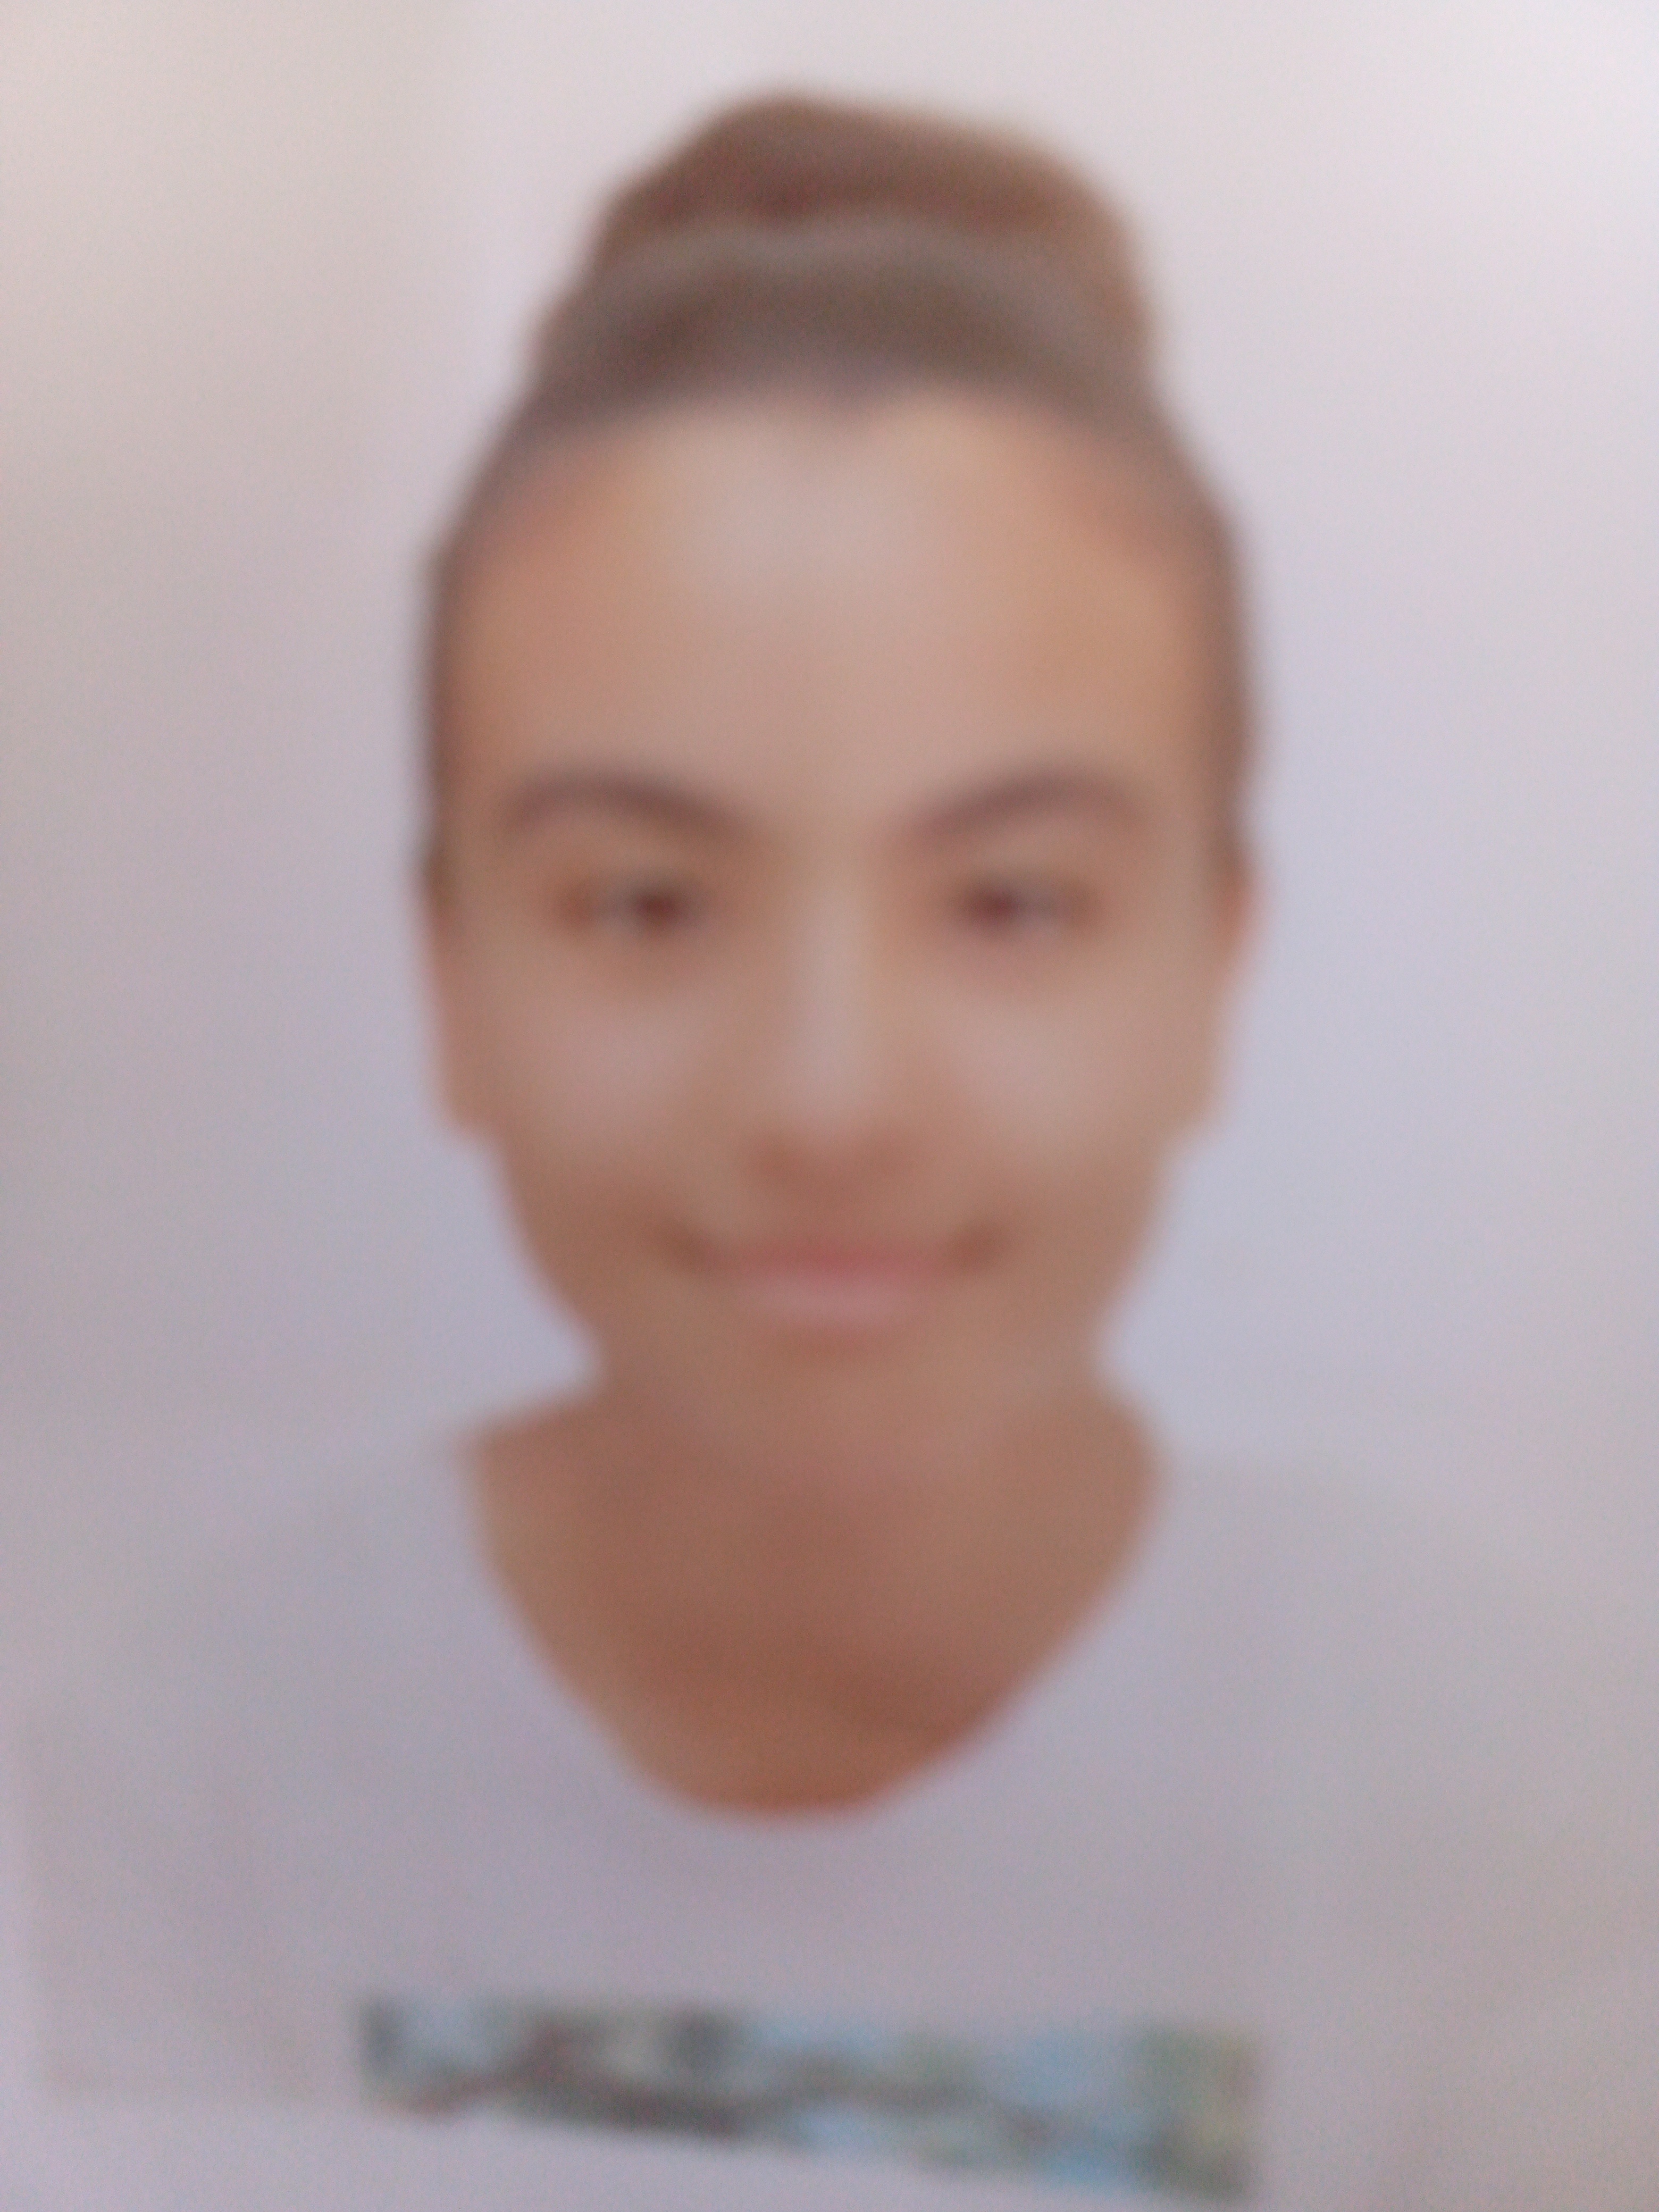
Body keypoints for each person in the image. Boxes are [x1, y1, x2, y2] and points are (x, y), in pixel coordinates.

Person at [16, 94, 1656, 2209]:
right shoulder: (164, 1788)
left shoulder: (1527, 1779)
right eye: (647, 902)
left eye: (1011, 902)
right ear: (449, 974)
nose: (826, 1100)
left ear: (1215, 965)